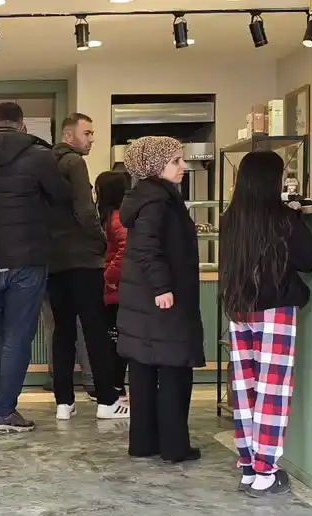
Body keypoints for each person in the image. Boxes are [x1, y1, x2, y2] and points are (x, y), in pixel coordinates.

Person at [0, 102, 71, 434]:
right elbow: (61, 195)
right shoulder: (39, 155)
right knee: (17, 337)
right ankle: (3, 412)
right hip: (27, 258)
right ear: (22, 125)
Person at [221, 151, 312, 497]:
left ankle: (249, 466)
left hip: (239, 308)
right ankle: (266, 471)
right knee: (272, 390)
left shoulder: (230, 218)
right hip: (276, 309)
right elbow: (311, 257)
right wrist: (298, 218)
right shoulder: (282, 218)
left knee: (244, 387)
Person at [117, 136, 203, 463]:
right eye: (175, 161)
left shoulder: (145, 197)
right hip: (162, 298)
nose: (183, 166)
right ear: (155, 166)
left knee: (143, 368)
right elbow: (147, 247)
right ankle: (174, 446)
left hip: (142, 299)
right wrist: (162, 287)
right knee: (173, 368)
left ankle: (144, 442)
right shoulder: (158, 200)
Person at [48, 114, 129, 421]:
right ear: (69, 136)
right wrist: (100, 240)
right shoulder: (75, 164)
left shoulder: (45, 163)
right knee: (95, 331)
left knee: (62, 332)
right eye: (88, 133)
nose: (92, 138)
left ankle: (64, 402)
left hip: (54, 262)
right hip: (82, 260)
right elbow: (85, 210)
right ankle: (107, 401)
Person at [96, 171, 132, 398]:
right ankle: (116, 385)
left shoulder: (115, 219)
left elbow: (124, 250)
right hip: (115, 290)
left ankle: (116, 386)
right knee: (114, 339)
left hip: (115, 290)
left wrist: (109, 277)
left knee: (114, 339)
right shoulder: (115, 217)